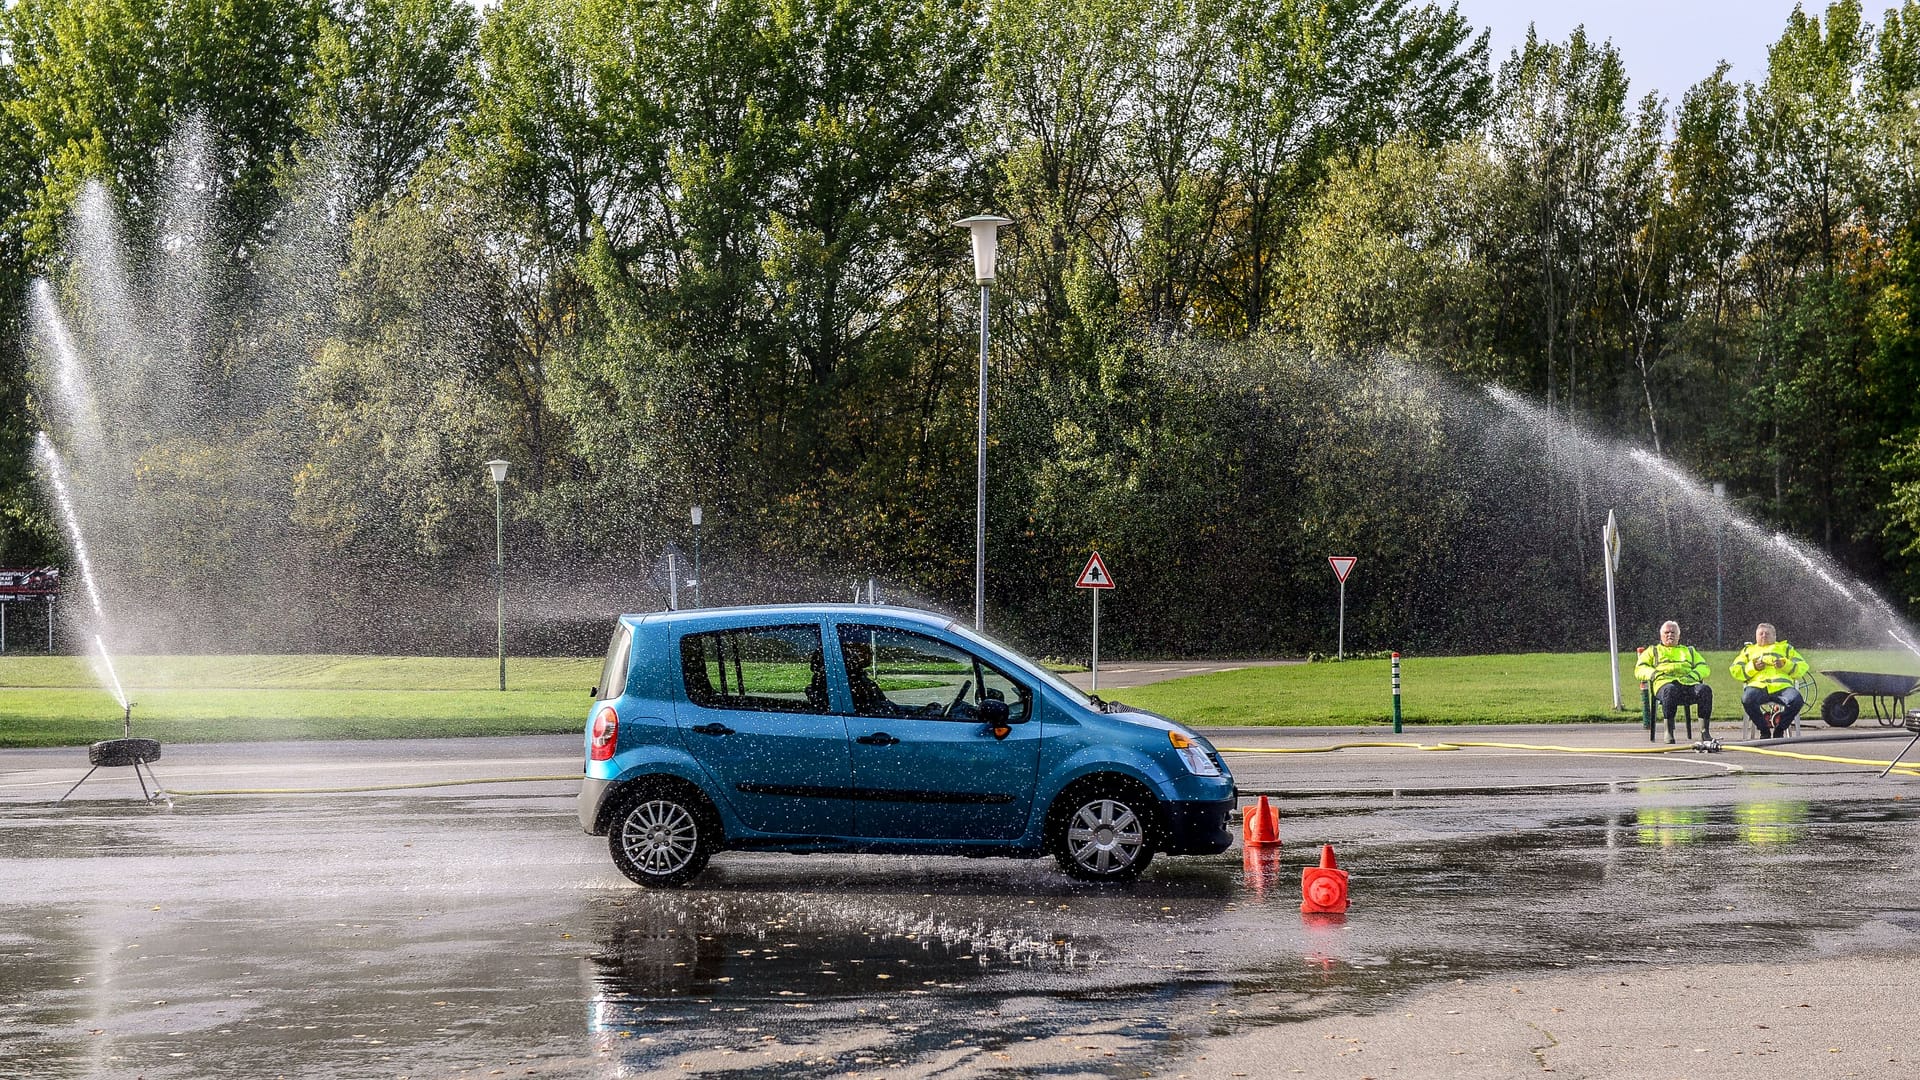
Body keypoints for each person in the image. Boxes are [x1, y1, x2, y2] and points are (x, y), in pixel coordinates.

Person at [1730, 623, 1809, 739]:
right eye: (1760, 633)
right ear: (1756, 636)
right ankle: (1764, 730)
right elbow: (1735, 670)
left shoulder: (1786, 648)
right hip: (1758, 687)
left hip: (1782, 687)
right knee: (1747, 699)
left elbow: (1802, 667)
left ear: (1775, 636)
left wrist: (1785, 664)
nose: (1764, 636)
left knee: (1796, 700)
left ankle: (1780, 728)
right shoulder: (1748, 650)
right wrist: (1754, 667)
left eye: (1767, 633)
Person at [1634, 621, 1712, 732]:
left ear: (1678, 636)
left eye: (1673, 632)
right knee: (1670, 690)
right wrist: (1654, 674)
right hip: (1664, 685)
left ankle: (1705, 733)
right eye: (1666, 632)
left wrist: (1693, 676)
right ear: (1661, 636)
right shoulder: (1653, 650)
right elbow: (1639, 669)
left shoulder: (1689, 650)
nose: (1670, 635)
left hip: (1688, 684)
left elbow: (1704, 667)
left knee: (1705, 690)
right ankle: (1669, 733)